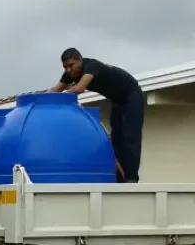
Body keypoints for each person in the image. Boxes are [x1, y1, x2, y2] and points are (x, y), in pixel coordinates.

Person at [49, 48, 145, 183]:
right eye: (65, 67)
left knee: (129, 136)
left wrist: (62, 97)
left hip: (132, 95)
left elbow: (79, 88)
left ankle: (131, 177)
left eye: (71, 65)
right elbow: (54, 90)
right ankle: (119, 176)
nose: (69, 70)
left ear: (80, 60)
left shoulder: (91, 66)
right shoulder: (69, 74)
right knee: (116, 138)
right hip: (117, 100)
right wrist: (40, 98)